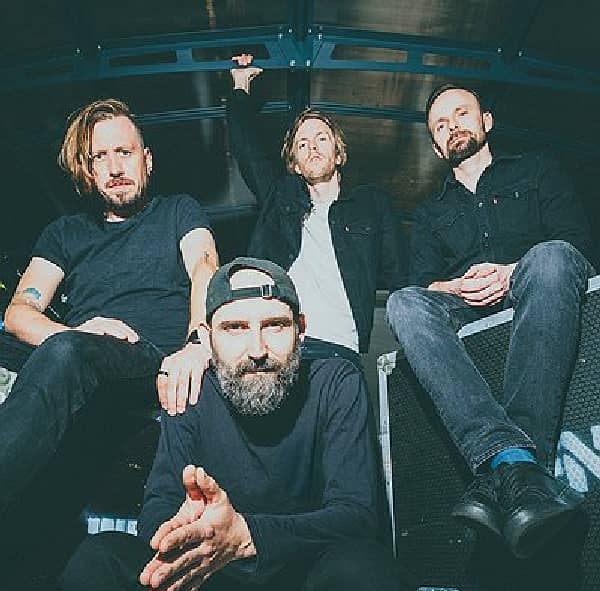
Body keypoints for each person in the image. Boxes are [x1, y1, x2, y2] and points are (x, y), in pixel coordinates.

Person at [62, 257, 412, 591]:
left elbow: (357, 515)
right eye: (235, 328)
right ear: (207, 337)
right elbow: (158, 509)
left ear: (300, 330)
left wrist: (246, 534)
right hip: (212, 574)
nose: (257, 350)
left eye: (275, 325)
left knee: (367, 571)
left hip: (301, 570)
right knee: (97, 562)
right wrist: (185, 529)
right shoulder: (191, 387)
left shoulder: (335, 382)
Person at [386, 84, 595, 559]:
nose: (452, 126)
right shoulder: (431, 211)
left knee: (550, 257)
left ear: (486, 121)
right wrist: (457, 286)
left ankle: (504, 467)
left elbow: (576, 241)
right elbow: (423, 283)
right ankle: (516, 464)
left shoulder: (537, 169)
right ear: (436, 147)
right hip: (471, 306)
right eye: (441, 125)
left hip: (539, 285)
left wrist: (511, 272)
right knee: (403, 303)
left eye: (461, 114)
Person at [0, 98, 217, 523]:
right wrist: (76, 333)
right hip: (79, 353)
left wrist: (198, 341)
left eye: (124, 152)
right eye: (100, 156)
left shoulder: (178, 211)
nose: (115, 167)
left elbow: (204, 266)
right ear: (88, 169)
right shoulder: (65, 233)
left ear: (146, 160)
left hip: (146, 357)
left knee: (67, 352)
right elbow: (19, 312)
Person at [227, 54, 408, 367]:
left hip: (341, 347)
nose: (312, 147)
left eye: (321, 139)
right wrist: (240, 86)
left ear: (338, 155)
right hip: (280, 348)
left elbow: (401, 274)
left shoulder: (371, 204)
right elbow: (248, 150)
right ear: (295, 165)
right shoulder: (280, 199)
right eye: (302, 144)